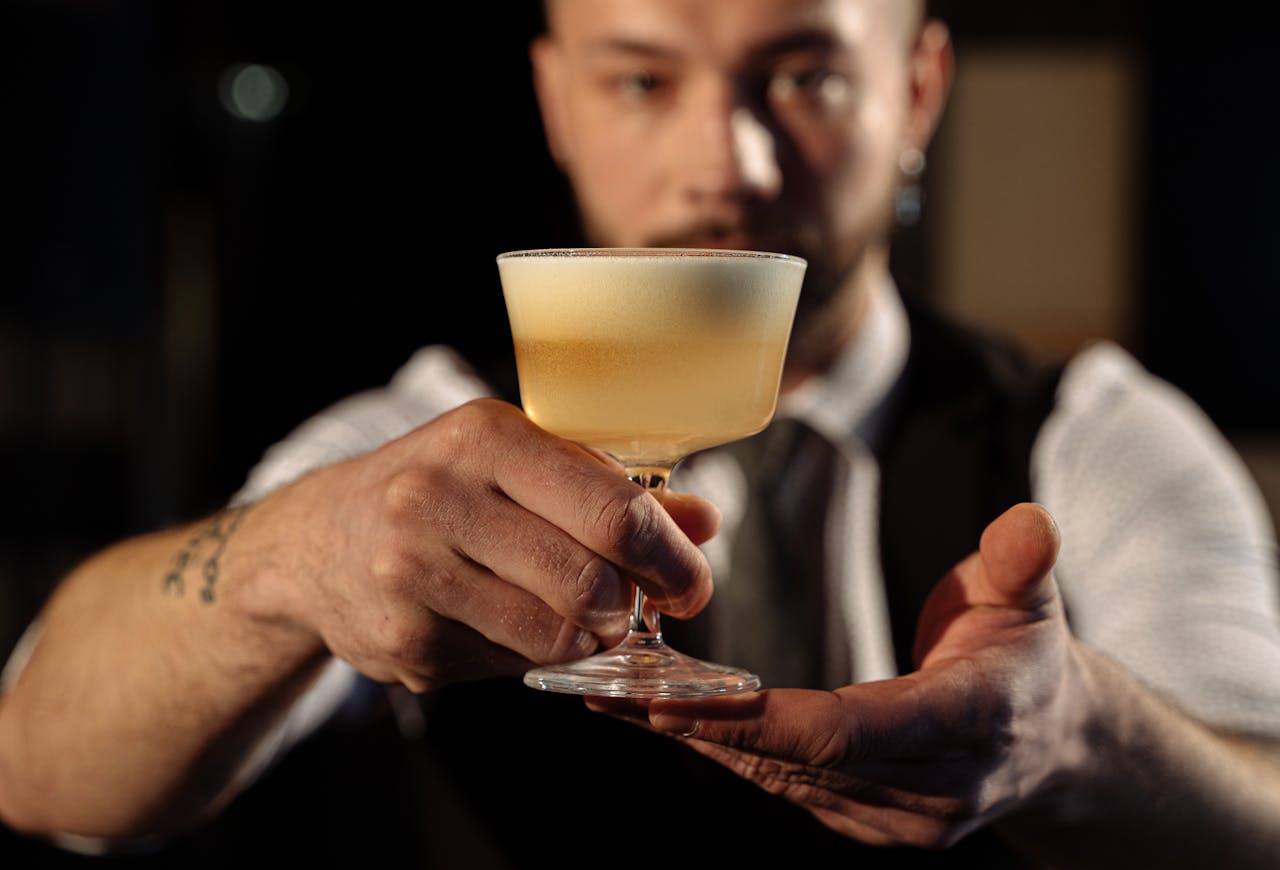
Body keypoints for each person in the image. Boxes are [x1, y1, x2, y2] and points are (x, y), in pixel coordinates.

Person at [2, 0, 1279, 866]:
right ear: (554, 98)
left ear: (918, 89)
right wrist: (283, 563)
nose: (721, 163)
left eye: (804, 75)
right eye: (640, 77)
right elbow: (35, 764)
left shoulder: (1097, 435)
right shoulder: (424, 435)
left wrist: (1080, 739)